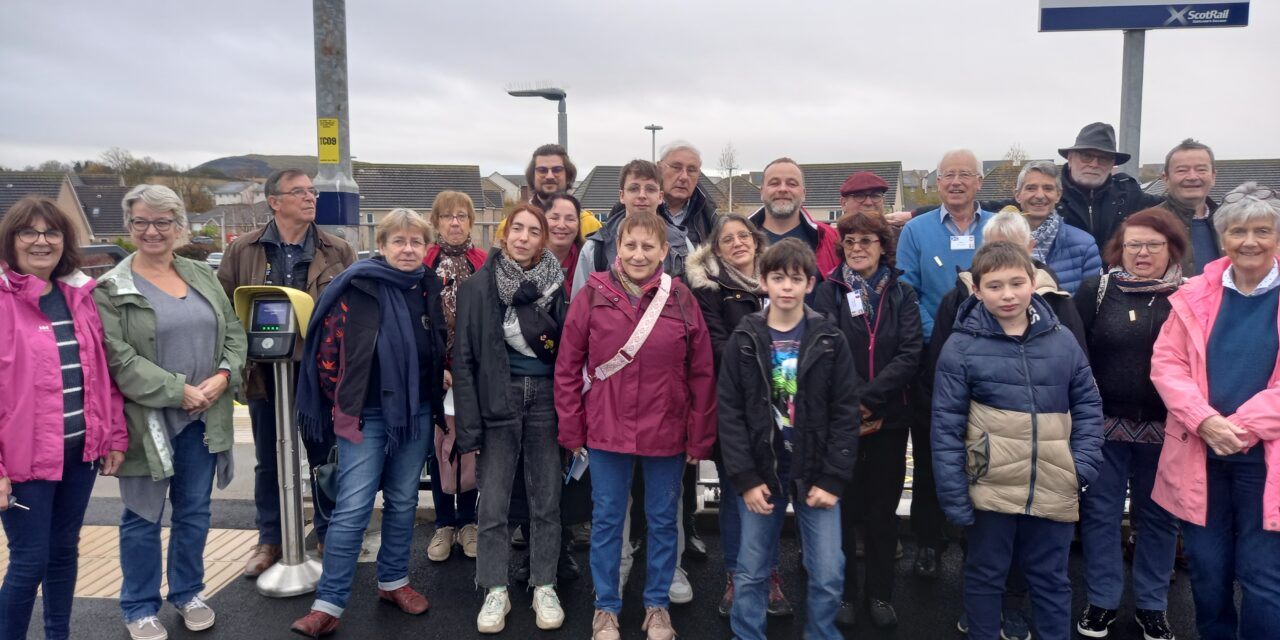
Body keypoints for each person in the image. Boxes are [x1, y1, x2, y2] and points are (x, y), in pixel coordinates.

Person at [95, 185, 248, 640]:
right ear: (129, 227)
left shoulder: (201, 274)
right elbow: (118, 358)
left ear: (179, 226)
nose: (152, 231)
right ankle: (139, 606)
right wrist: (177, 391)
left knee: (194, 511)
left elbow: (234, 332)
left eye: (163, 222)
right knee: (142, 515)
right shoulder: (112, 288)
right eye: (141, 221)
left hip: (205, 417)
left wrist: (223, 376)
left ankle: (187, 592)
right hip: (148, 422)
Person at [555, 212, 716, 640]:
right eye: (631, 245)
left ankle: (656, 605)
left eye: (649, 246)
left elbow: (701, 372)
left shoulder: (681, 298)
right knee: (607, 521)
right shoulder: (592, 295)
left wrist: (699, 435)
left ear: (665, 251)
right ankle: (605, 607)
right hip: (607, 429)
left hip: (667, 428)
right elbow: (568, 367)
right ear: (617, 249)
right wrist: (571, 430)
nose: (639, 254)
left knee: (664, 520)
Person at [927, 210, 1086, 640]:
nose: (1008, 294)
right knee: (984, 577)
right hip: (990, 485)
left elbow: (1087, 403)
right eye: (994, 286)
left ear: (1033, 281)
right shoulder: (961, 347)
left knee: (1052, 580)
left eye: (1017, 283)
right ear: (976, 291)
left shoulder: (1062, 339)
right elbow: (945, 427)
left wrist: (1081, 467)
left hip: (1053, 480)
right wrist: (955, 495)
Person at [289, 209, 447, 637]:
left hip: (413, 412)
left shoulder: (428, 286)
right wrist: (340, 401)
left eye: (416, 242)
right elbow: (327, 353)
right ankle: (328, 603)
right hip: (366, 415)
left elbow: (436, 343)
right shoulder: (357, 288)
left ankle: (394, 581)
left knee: (402, 501)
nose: (408, 249)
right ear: (382, 246)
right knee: (353, 508)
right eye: (399, 241)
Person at [1149, 183, 1280, 639]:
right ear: (1222, 239)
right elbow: (1167, 364)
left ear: (1277, 238)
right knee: (1207, 570)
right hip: (1200, 453)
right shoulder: (1194, 293)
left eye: (1263, 231)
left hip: (1266, 463)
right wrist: (1205, 420)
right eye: (1239, 231)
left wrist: (1241, 428)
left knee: (1264, 577)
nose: (1250, 241)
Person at [718, 238, 859, 640]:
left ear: (810, 284)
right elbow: (730, 413)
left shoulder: (830, 339)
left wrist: (833, 478)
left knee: (829, 572)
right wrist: (744, 478)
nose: (786, 287)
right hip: (763, 473)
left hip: (815, 472)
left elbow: (845, 413)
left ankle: (821, 634)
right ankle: (747, 635)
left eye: (795, 279)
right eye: (777, 278)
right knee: (749, 571)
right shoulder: (744, 338)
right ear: (763, 282)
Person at [0, 197, 128, 640]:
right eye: (28, 232)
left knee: (63, 553)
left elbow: (101, 374)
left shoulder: (79, 296)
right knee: (29, 559)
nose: (41, 241)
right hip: (25, 462)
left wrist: (112, 436)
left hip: (78, 454)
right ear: (10, 239)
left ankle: (59, 634)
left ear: (65, 240)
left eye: (51, 232)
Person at [218, 169, 355, 576]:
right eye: (299, 192)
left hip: (319, 374)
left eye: (312, 191)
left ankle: (330, 533)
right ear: (274, 201)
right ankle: (270, 540)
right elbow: (225, 310)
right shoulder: (243, 250)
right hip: (264, 372)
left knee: (324, 456)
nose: (310, 198)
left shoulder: (338, 250)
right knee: (269, 458)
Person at [452, 204, 569, 633]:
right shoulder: (477, 288)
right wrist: (468, 429)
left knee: (547, 501)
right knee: (494, 504)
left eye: (533, 230)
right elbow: (463, 361)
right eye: (516, 228)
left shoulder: (558, 285)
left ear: (543, 239)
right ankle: (495, 588)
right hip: (496, 402)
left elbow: (571, 355)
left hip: (547, 402)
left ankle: (544, 584)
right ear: (504, 233)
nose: (523, 236)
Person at [1074, 208, 1187, 640]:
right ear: (1119, 249)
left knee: (1158, 518)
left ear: (1170, 249)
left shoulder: (1188, 296)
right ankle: (1102, 600)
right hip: (1102, 426)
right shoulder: (1097, 291)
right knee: (1100, 515)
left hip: (1167, 429)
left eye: (1153, 245)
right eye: (1133, 244)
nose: (1142, 253)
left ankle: (1152, 605)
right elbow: (1077, 356)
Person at [812, 212, 923, 630]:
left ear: (883, 246)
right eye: (851, 240)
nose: (858, 247)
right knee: (841, 512)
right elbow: (824, 346)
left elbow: (911, 352)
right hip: (840, 419)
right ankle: (843, 594)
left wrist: (873, 399)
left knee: (881, 512)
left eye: (867, 240)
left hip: (890, 420)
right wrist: (854, 402)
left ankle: (880, 594)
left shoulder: (902, 293)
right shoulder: (827, 291)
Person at [685, 213, 790, 617]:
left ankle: (770, 574)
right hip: (733, 406)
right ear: (716, 249)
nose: (737, 243)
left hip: (782, 401)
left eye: (743, 235)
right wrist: (769, 352)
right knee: (735, 493)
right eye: (727, 239)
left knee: (774, 491)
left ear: (756, 240)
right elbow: (716, 346)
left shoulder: (778, 280)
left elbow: (797, 339)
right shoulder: (709, 291)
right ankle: (736, 576)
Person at [896, 148, 993, 579]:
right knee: (934, 452)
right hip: (932, 360)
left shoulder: (997, 228)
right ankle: (928, 542)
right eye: (948, 176)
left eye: (965, 175)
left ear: (979, 182)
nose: (956, 182)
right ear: (937, 185)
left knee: (987, 452)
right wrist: (943, 338)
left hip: (994, 360)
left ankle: (979, 542)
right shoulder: (916, 231)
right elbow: (907, 291)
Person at [421, 190, 484, 564]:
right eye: (448, 217)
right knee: (439, 448)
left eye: (462, 216)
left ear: (471, 222)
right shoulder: (425, 263)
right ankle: (444, 522)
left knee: (472, 446)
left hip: (473, 373)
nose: (455, 223)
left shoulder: (484, 262)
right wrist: (437, 366)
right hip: (436, 373)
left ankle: (469, 521)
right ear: (437, 222)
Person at [574, 159, 694, 295]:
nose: (642, 195)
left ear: (660, 197)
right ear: (622, 196)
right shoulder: (595, 248)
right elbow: (580, 310)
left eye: (650, 189)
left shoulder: (683, 246)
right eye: (634, 188)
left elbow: (692, 307)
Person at [1054, 122, 1163, 249]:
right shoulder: (1048, 196)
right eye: (1087, 156)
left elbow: (1174, 207)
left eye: (1104, 158)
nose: (1094, 164)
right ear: (1070, 159)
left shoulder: (1128, 194)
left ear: (1112, 164)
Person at [1013, 161, 1101, 294]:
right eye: (1031, 188)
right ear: (1017, 195)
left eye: (1048, 188)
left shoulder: (1085, 246)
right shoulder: (999, 242)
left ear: (1058, 195)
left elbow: (1093, 305)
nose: (1040, 195)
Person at [748, 158, 841, 277]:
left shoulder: (831, 239)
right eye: (774, 183)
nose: (782, 189)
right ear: (761, 192)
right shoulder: (737, 239)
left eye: (792, 184)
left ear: (804, 193)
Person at [1158, 138, 1220, 275]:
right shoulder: (1150, 223)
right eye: (1182, 170)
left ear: (1213, 177)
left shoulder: (1231, 222)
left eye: (1201, 170)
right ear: (1166, 179)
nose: (1192, 177)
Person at [657, 141, 718, 246]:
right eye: (676, 167)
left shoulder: (710, 219)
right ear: (659, 167)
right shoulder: (637, 210)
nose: (684, 177)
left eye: (691, 170)